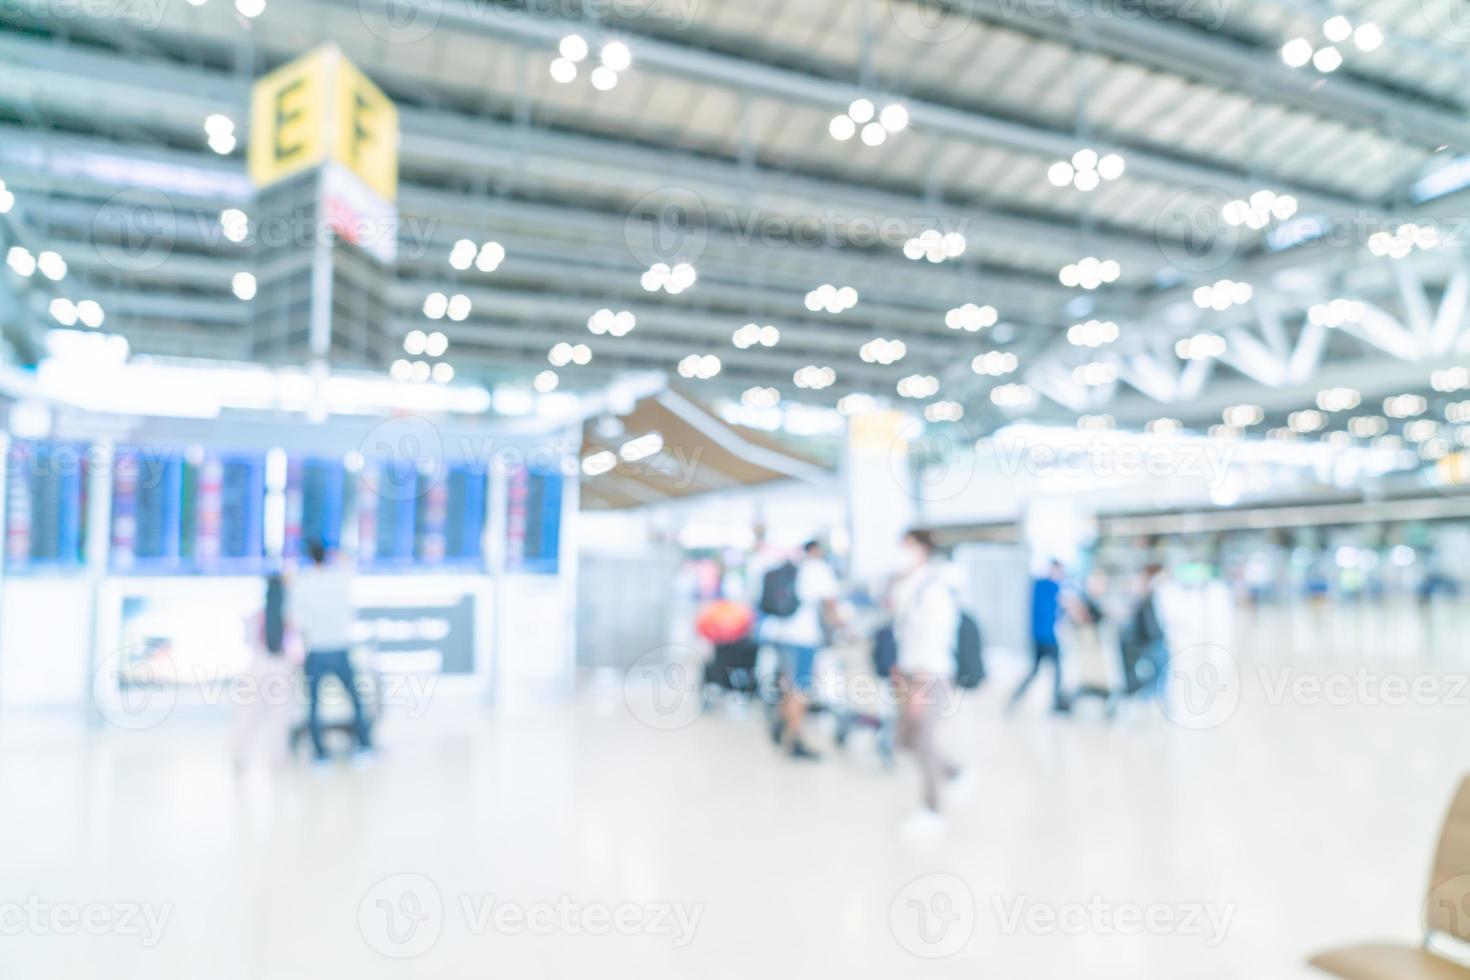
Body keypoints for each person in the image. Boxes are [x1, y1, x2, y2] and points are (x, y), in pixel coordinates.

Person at [889, 529, 965, 834]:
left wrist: (919, 685)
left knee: (923, 740)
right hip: (910, 672)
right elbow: (907, 632)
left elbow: (934, 639)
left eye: (907, 547)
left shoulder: (934, 588)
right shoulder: (909, 586)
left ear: (922, 550)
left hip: (929, 675)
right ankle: (956, 774)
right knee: (905, 740)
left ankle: (932, 812)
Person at [292, 541, 373, 764]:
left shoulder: (303, 582)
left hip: (316, 651)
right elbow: (351, 558)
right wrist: (338, 554)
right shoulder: (340, 578)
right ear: (327, 555)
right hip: (340, 650)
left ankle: (320, 754)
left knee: (313, 704)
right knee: (356, 700)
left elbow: (296, 620)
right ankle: (364, 746)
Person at [762, 539, 840, 760]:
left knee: (789, 685)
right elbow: (830, 605)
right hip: (804, 637)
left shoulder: (796, 568)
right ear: (817, 550)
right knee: (801, 689)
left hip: (782, 634)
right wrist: (843, 628)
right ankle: (793, 739)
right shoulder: (819, 569)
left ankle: (783, 723)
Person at [232, 573, 300, 772]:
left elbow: (248, 642)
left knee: (248, 715)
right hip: (281, 667)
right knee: (280, 716)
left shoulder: (257, 616)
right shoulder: (288, 618)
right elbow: (296, 648)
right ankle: (278, 758)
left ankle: (239, 755)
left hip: (258, 665)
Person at [1009, 559, 1070, 714]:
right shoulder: (1054, 587)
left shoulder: (1037, 585)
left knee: (1035, 670)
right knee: (1057, 670)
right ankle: (1055, 703)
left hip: (1036, 637)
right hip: (1049, 638)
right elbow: (1064, 607)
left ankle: (1015, 697)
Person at [1123, 563, 1170, 703]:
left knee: (1162, 673)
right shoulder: (1141, 599)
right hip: (1148, 643)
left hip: (1155, 640)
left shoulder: (1153, 595)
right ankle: (1148, 698)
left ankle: (1155, 698)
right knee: (1159, 672)